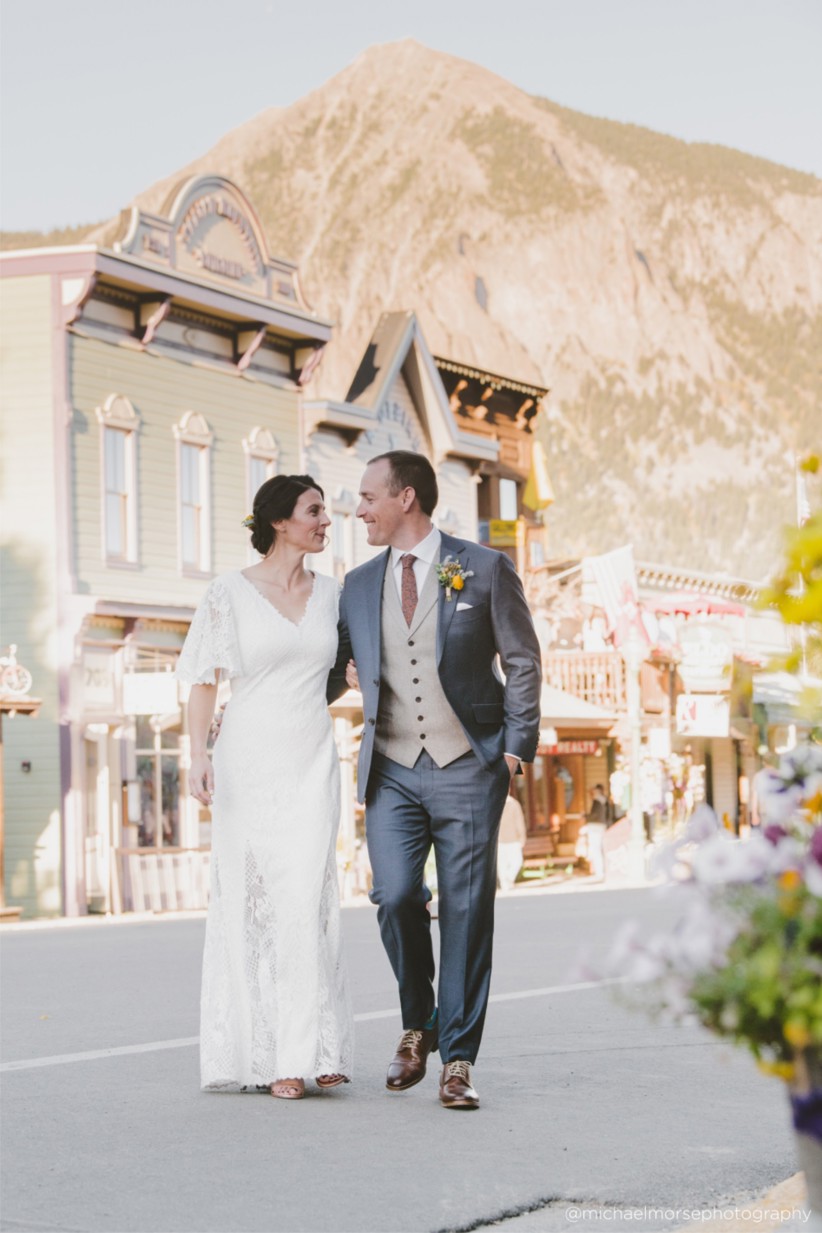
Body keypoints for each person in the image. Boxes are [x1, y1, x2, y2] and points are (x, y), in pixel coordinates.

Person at [328, 451, 542, 1110]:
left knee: (467, 912)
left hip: (469, 767)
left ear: (407, 498)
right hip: (391, 769)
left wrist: (513, 752)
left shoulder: (482, 567)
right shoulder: (359, 583)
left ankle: (458, 1059)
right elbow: (334, 666)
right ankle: (416, 1023)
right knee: (393, 895)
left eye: (368, 497)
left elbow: (523, 659)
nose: (358, 509)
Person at [176, 474, 353, 1100]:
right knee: (256, 911)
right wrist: (197, 753)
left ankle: (315, 1046)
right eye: (314, 512)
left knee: (308, 902)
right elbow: (202, 679)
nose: (325, 522)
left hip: (311, 762)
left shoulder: (336, 595)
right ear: (280, 521)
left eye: (325, 513)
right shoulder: (227, 592)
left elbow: (345, 666)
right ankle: (274, 1054)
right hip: (246, 762)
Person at [497, 791, 527, 891]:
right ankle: (504, 883)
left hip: (513, 839)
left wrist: (522, 836)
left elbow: (519, 821)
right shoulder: (495, 802)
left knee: (517, 861)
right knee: (502, 864)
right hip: (499, 839)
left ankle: (508, 879)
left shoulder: (514, 804)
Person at [583, 783, 610, 879]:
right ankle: (601, 870)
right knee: (599, 849)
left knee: (596, 849)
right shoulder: (605, 801)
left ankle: (599, 872)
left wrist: (585, 817)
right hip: (601, 827)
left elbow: (594, 816)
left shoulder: (597, 801)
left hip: (595, 828)